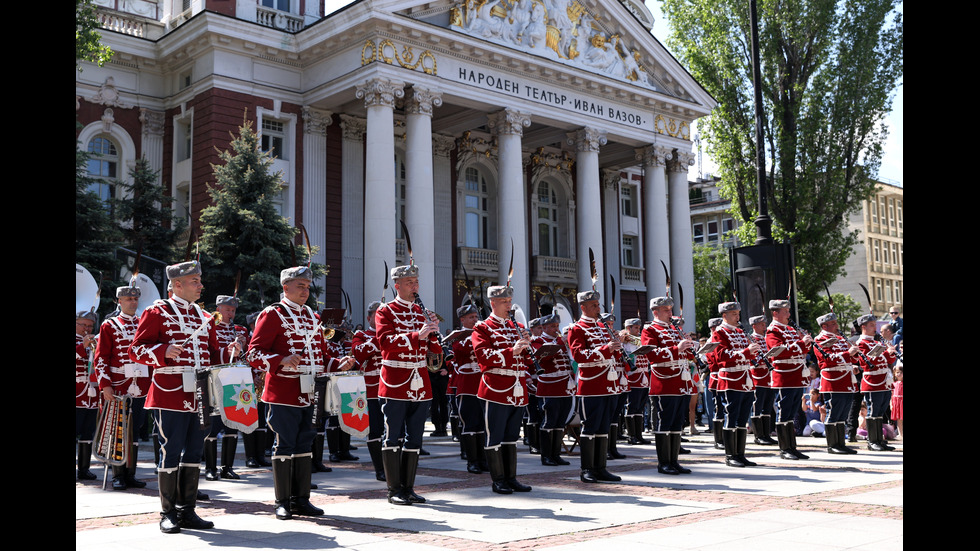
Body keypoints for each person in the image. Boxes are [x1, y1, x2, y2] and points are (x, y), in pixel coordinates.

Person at [246, 266, 355, 520]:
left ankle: (301, 499)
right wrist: (281, 359)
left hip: (311, 392)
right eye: (300, 286)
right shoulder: (272, 314)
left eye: (307, 286)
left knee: (306, 443)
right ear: (286, 288)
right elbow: (253, 354)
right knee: (284, 444)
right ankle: (282, 501)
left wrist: (338, 364)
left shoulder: (313, 317)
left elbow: (322, 357)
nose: (305, 291)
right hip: (283, 391)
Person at [129, 260, 224, 533]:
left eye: (199, 280)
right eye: (195, 281)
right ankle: (168, 512)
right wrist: (163, 351)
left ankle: (188, 509)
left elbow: (213, 354)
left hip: (200, 393)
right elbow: (136, 350)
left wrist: (229, 353)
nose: (201, 285)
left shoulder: (204, 316)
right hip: (170, 392)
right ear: (177, 284)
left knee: (195, 450)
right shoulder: (157, 311)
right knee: (170, 450)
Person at [374, 264, 440, 505]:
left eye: (416, 282)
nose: (415, 287)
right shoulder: (386, 311)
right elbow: (385, 342)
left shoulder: (422, 311)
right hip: (395, 381)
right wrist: (417, 335)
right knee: (393, 436)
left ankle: (409, 488)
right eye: (410, 283)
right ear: (397, 285)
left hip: (420, 381)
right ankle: (394, 490)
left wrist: (433, 334)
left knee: (415, 437)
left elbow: (433, 350)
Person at [471, 285, 533, 494]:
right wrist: (511, 351)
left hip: (517, 387)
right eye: (505, 302)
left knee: (511, 437)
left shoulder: (517, 326)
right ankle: (498, 480)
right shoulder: (483, 328)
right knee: (495, 436)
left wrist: (527, 347)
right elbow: (484, 356)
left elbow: (526, 361)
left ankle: (511, 478)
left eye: (510, 301)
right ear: (493, 303)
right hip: (495, 389)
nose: (509, 305)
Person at [94, 284, 149, 490]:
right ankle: (118, 474)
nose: (133, 302)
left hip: (141, 385)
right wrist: (105, 385)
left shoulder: (144, 323)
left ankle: (131, 473)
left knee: (135, 430)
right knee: (118, 431)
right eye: (128, 299)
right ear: (119, 301)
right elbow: (101, 358)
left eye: (135, 299)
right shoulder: (110, 326)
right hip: (118, 386)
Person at [567, 290, 625, 483]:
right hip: (591, 384)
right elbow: (578, 355)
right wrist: (606, 349)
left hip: (609, 384)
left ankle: (601, 468)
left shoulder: (602, 327)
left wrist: (617, 346)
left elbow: (614, 356)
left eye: (598, 305)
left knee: (604, 427)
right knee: (590, 427)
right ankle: (587, 469)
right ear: (583, 307)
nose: (598, 309)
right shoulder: (577, 329)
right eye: (594, 306)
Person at [642, 296, 698, 475]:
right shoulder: (650, 330)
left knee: (676, 424)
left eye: (670, 309)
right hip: (664, 382)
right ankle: (663, 462)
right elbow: (652, 354)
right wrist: (677, 349)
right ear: (655, 312)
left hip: (681, 381)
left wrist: (690, 345)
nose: (670, 313)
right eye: (666, 310)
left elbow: (686, 354)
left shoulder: (675, 329)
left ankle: (674, 461)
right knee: (664, 423)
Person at [205, 294, 249, 481]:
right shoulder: (210, 326)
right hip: (215, 380)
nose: (231, 313)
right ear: (218, 309)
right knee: (213, 426)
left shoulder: (239, 330)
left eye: (233, 310)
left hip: (235, 380)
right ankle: (210, 467)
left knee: (233, 424)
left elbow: (244, 357)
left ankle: (227, 467)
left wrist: (242, 345)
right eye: (227, 310)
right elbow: (210, 353)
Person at [712, 302, 759, 467]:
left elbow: (746, 353)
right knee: (731, 417)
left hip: (745, 378)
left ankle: (740, 454)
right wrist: (747, 352)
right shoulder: (719, 333)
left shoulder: (740, 332)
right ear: (724, 315)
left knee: (742, 418)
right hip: (730, 379)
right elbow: (721, 356)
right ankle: (730, 455)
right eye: (733, 314)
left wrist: (755, 352)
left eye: (738, 314)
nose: (737, 317)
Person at [766, 299, 813, 460]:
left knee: (792, 413)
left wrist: (806, 342)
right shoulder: (772, 330)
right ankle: (784, 448)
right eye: (785, 311)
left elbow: (801, 350)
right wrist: (801, 343)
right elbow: (778, 351)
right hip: (784, 375)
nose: (789, 314)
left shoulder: (791, 330)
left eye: (788, 311)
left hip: (796, 374)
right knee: (784, 412)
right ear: (775, 313)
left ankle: (792, 447)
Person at [812, 312, 861, 454]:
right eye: (833, 323)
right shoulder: (820, 339)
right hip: (833, 380)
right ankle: (832, 445)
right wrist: (848, 354)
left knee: (843, 413)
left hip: (845, 379)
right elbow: (828, 359)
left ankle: (840, 444)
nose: (836, 326)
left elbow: (848, 357)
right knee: (833, 412)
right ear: (824, 325)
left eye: (835, 323)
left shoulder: (839, 338)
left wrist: (853, 359)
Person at [531, 313, 575, 466]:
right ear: (543, 327)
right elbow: (543, 358)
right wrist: (561, 343)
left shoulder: (559, 340)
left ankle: (556, 454)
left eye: (557, 326)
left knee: (560, 422)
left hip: (564, 386)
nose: (556, 329)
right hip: (549, 386)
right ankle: (546, 456)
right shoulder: (537, 341)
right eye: (552, 326)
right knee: (549, 422)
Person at [452, 303, 489, 474]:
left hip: (482, 384)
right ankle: (471, 461)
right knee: (469, 423)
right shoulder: (458, 336)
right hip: (466, 385)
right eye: (471, 317)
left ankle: (482, 459)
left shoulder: (482, 334)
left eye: (476, 316)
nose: (476, 319)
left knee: (482, 423)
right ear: (463, 319)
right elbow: (461, 350)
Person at [351, 301, 386, 481]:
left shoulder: (391, 333)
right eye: (376, 315)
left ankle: (393, 466)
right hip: (371, 389)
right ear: (368, 318)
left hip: (391, 387)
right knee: (375, 430)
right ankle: (380, 468)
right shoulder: (361, 334)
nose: (380, 319)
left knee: (394, 429)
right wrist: (378, 338)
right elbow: (359, 353)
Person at [854, 314, 898, 451]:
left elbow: (888, 362)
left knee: (880, 412)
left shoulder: (877, 342)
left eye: (875, 325)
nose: (875, 328)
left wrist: (891, 353)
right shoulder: (861, 343)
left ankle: (879, 440)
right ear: (864, 327)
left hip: (883, 380)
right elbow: (868, 362)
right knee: (873, 411)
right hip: (872, 381)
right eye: (872, 325)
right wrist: (886, 353)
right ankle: (872, 441)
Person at [76, 310, 100, 481]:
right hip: (77, 394)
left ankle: (84, 469)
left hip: (91, 395)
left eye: (90, 326)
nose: (87, 328)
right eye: (83, 325)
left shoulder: (93, 341)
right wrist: (82, 346)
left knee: (87, 433)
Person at [747, 315, 777, 446]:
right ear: (754, 326)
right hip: (758, 377)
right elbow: (750, 358)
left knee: (768, 406)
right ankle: (758, 435)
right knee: (757, 406)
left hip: (768, 377)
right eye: (761, 324)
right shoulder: (751, 339)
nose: (765, 327)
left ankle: (766, 434)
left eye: (765, 324)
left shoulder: (766, 339)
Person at [622, 318, 650, 446]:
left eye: (639, 328)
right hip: (633, 377)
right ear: (629, 328)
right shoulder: (626, 342)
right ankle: (631, 435)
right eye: (636, 328)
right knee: (632, 406)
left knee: (640, 407)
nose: (639, 330)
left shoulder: (641, 340)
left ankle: (639, 435)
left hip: (644, 376)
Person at [891, 363, 903, 440]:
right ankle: (900, 434)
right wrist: (891, 404)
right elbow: (891, 395)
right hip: (896, 402)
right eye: (897, 372)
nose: (898, 374)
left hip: (902, 401)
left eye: (901, 372)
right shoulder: (893, 384)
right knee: (899, 419)